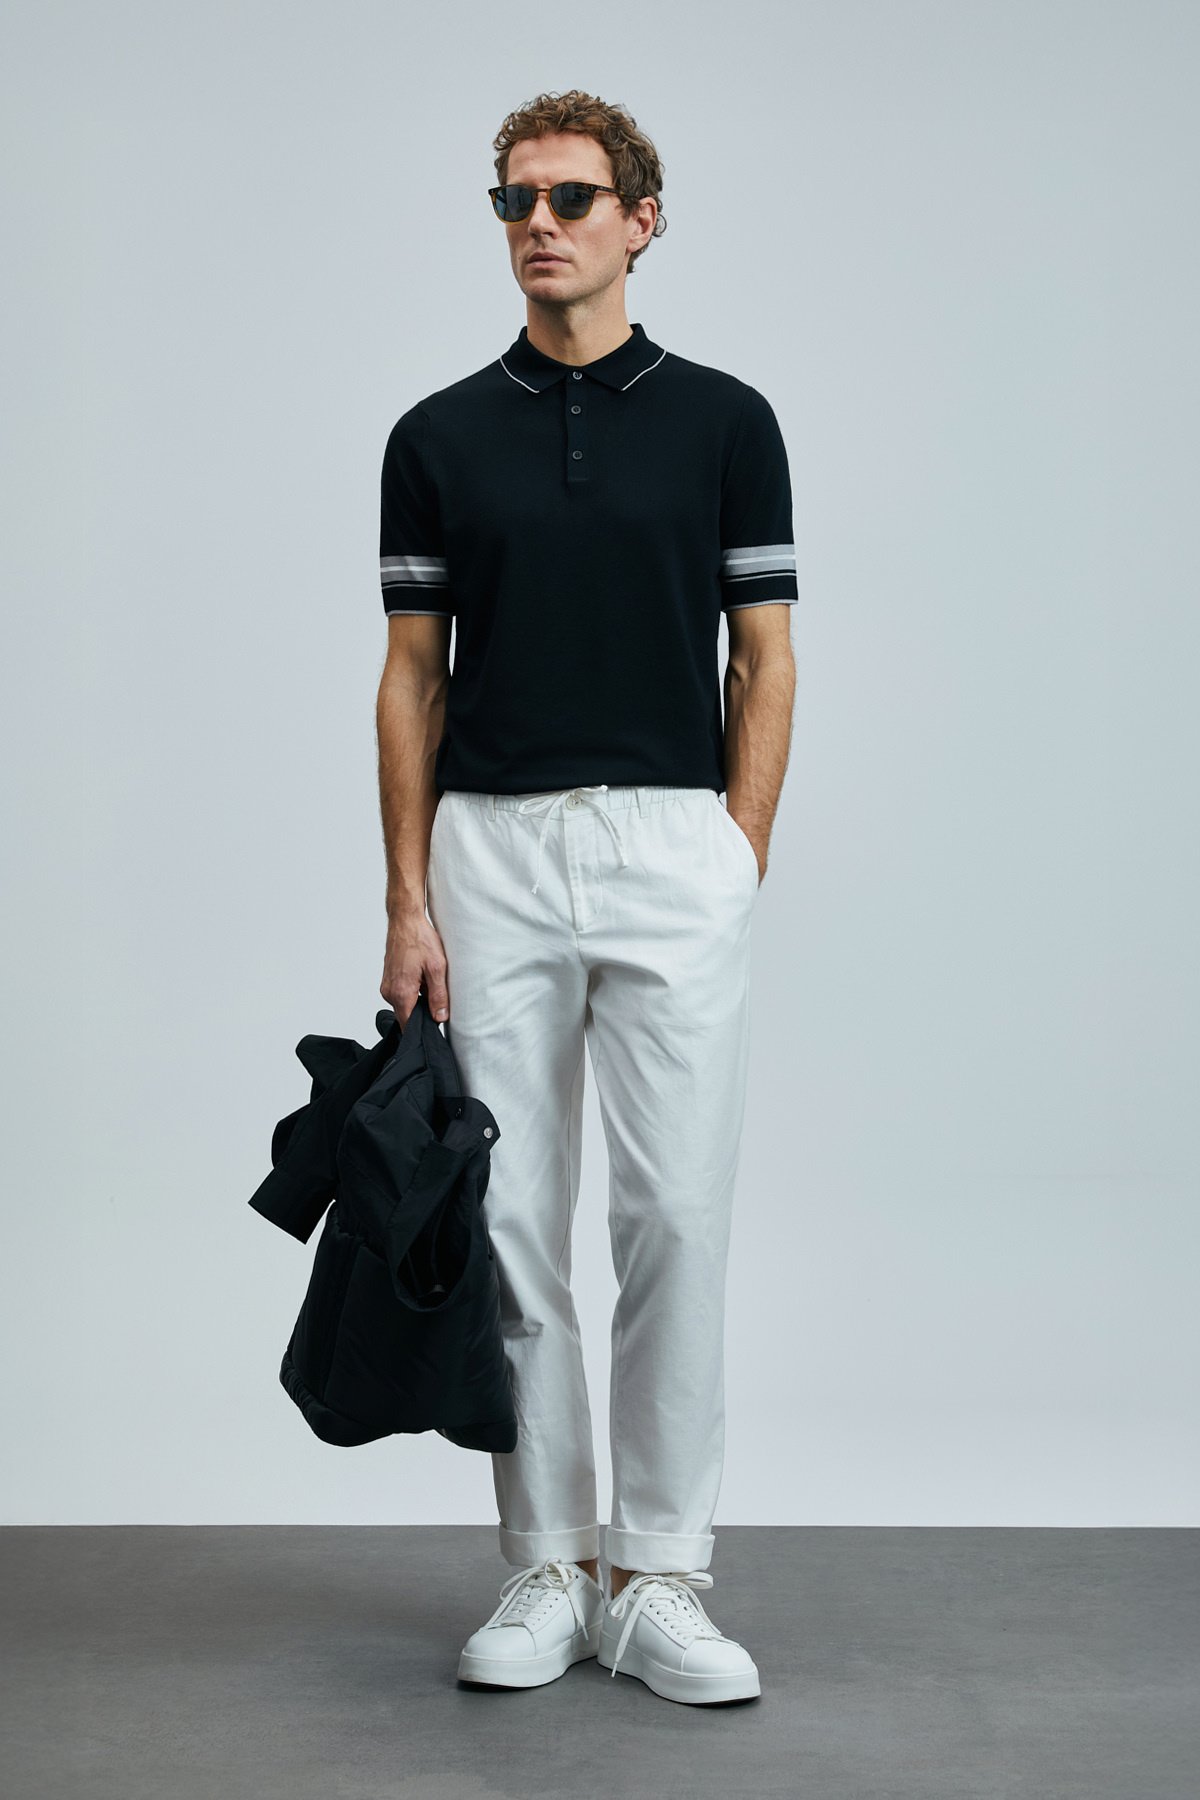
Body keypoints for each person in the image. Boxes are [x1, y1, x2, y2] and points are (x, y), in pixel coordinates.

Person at [375, 88, 796, 1707]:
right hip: (489, 849)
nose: (538, 224)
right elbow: (413, 678)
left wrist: (737, 847)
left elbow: (765, 656)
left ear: (641, 219)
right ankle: (550, 1564)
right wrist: (408, 897)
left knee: (675, 1212)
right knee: (509, 1220)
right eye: (514, 201)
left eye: (569, 197)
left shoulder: (727, 423)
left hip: (672, 843)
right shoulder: (435, 437)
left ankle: (663, 1574)